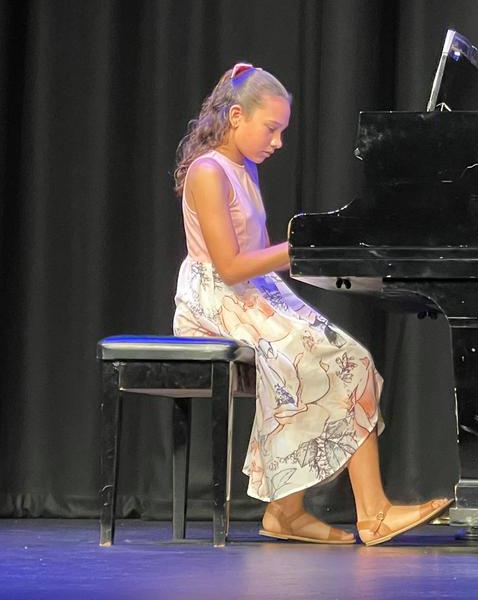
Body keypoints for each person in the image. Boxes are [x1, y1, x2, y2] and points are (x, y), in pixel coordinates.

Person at [173, 62, 451, 545]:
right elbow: (231, 267)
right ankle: (366, 513)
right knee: (321, 360)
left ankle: (294, 512)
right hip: (215, 301)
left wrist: (316, 255)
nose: (277, 141)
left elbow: (257, 261)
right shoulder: (207, 172)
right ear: (236, 116)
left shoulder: (245, 167)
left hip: (252, 295)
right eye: (272, 128)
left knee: (352, 359)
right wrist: (303, 244)